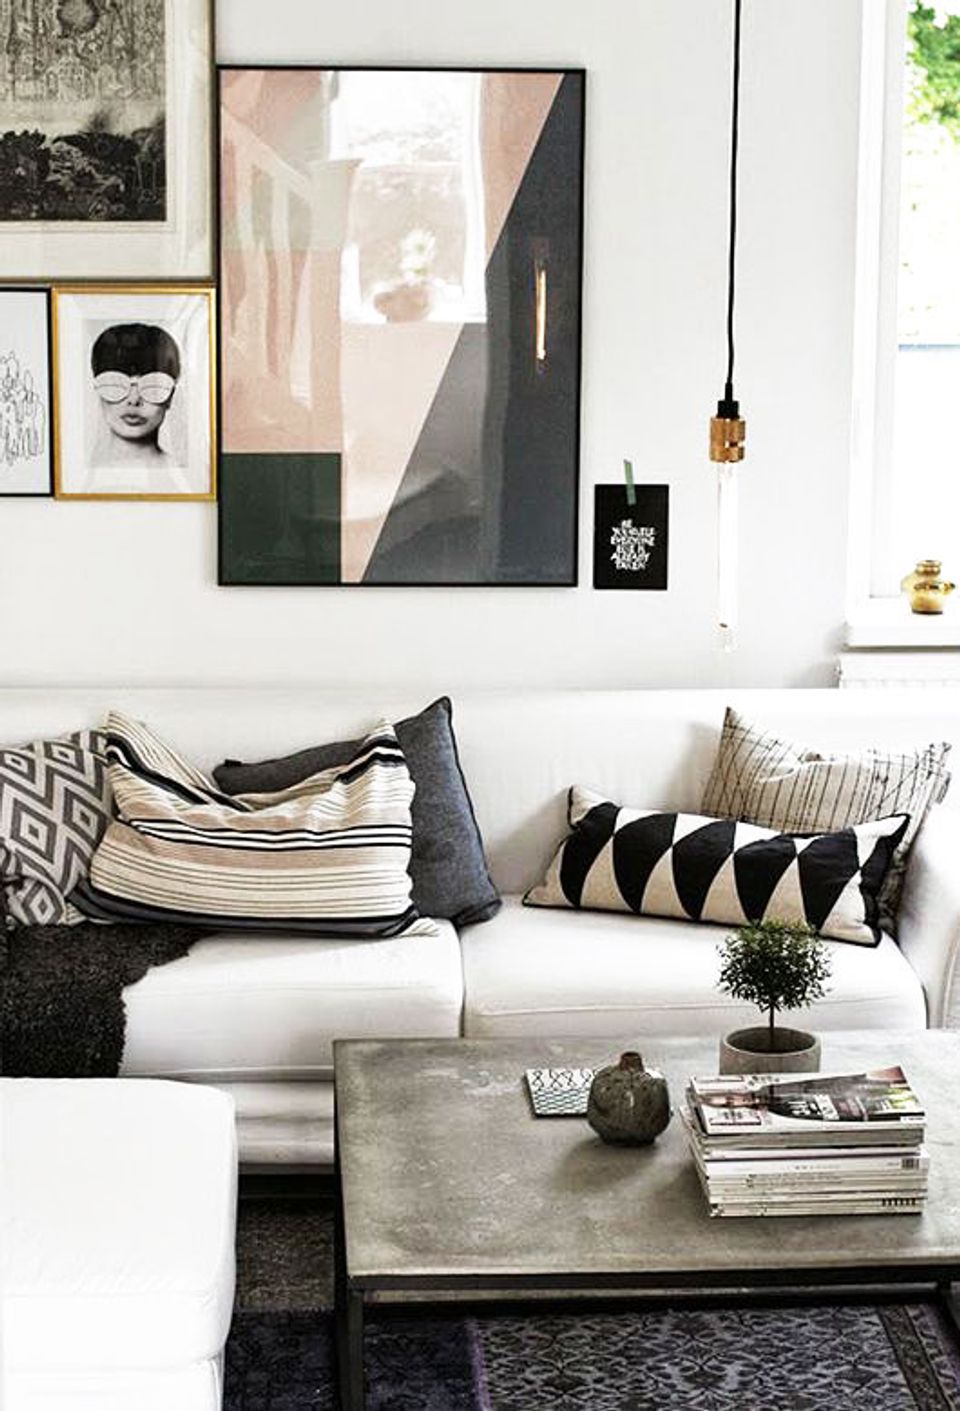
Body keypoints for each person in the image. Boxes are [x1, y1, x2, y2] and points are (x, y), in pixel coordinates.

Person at [90, 322, 180, 468]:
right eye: (115, 384)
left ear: (170, 396)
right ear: (98, 390)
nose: (134, 399)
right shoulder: (76, 473)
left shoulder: (185, 475)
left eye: (153, 386)